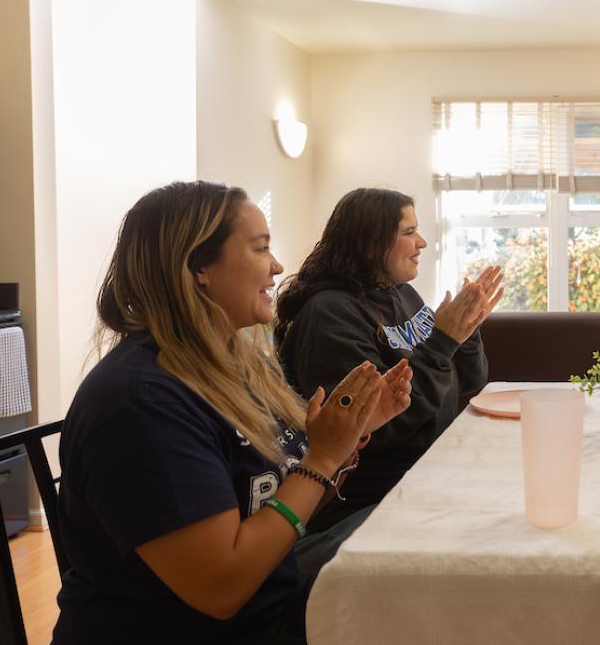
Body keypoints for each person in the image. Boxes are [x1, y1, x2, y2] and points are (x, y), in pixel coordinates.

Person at [55, 182, 413, 644]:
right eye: (261, 247)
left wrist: (343, 441)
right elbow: (222, 588)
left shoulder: (235, 366)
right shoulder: (141, 403)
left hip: (271, 604)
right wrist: (322, 459)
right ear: (199, 267)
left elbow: (278, 504)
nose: (278, 266)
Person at [275, 187, 503, 533]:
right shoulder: (329, 315)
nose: (422, 242)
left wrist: (465, 330)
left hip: (428, 474)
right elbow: (383, 426)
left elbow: (470, 382)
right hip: (372, 501)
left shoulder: (400, 294)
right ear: (370, 243)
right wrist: (443, 341)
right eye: (409, 232)